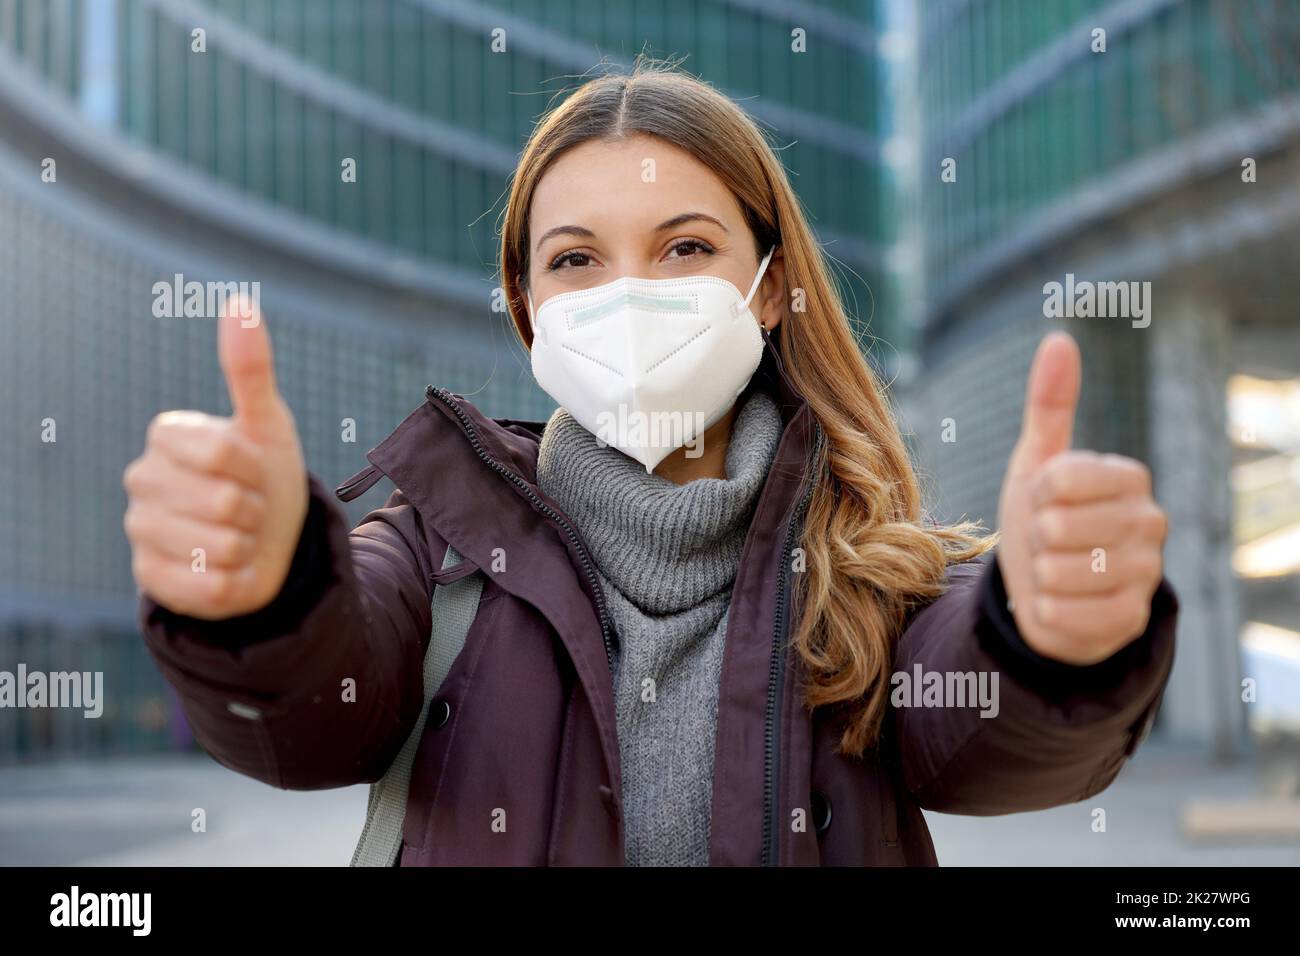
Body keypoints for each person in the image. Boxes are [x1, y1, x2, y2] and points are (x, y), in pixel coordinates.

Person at [122, 59, 1177, 866]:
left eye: (684, 248)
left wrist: (1044, 638)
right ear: (530, 314)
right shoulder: (433, 551)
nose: (628, 292)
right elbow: (310, 723)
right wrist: (266, 593)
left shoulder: (872, 578)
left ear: (768, 289)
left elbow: (993, 733)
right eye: (576, 258)